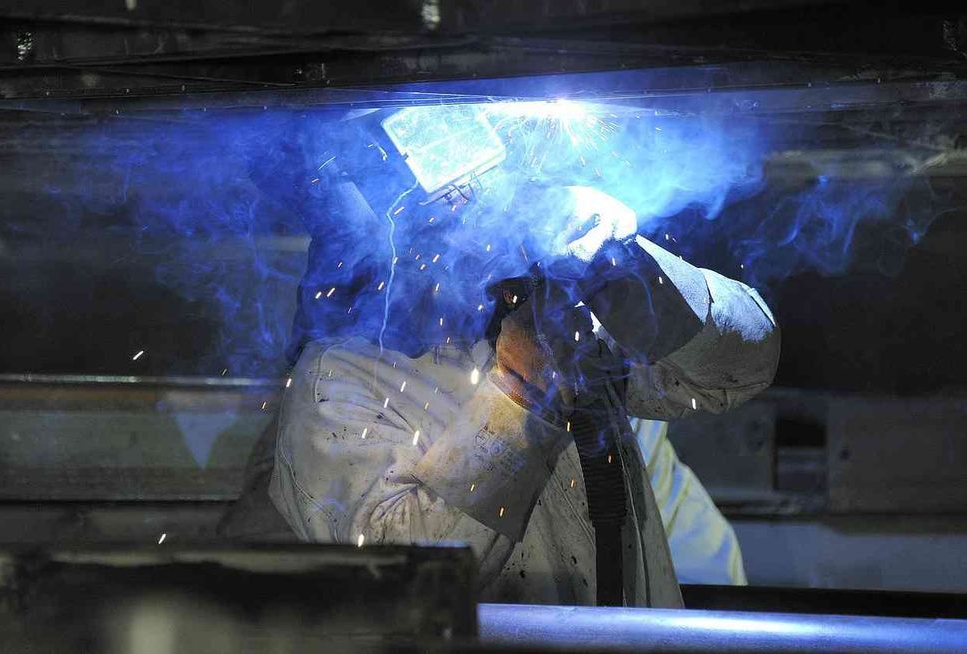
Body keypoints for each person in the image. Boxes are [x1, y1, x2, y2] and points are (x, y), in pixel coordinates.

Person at [261, 184, 780, 607]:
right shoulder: (335, 381)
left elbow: (739, 372)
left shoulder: (559, 316)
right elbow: (413, 579)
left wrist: (626, 266)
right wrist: (521, 392)